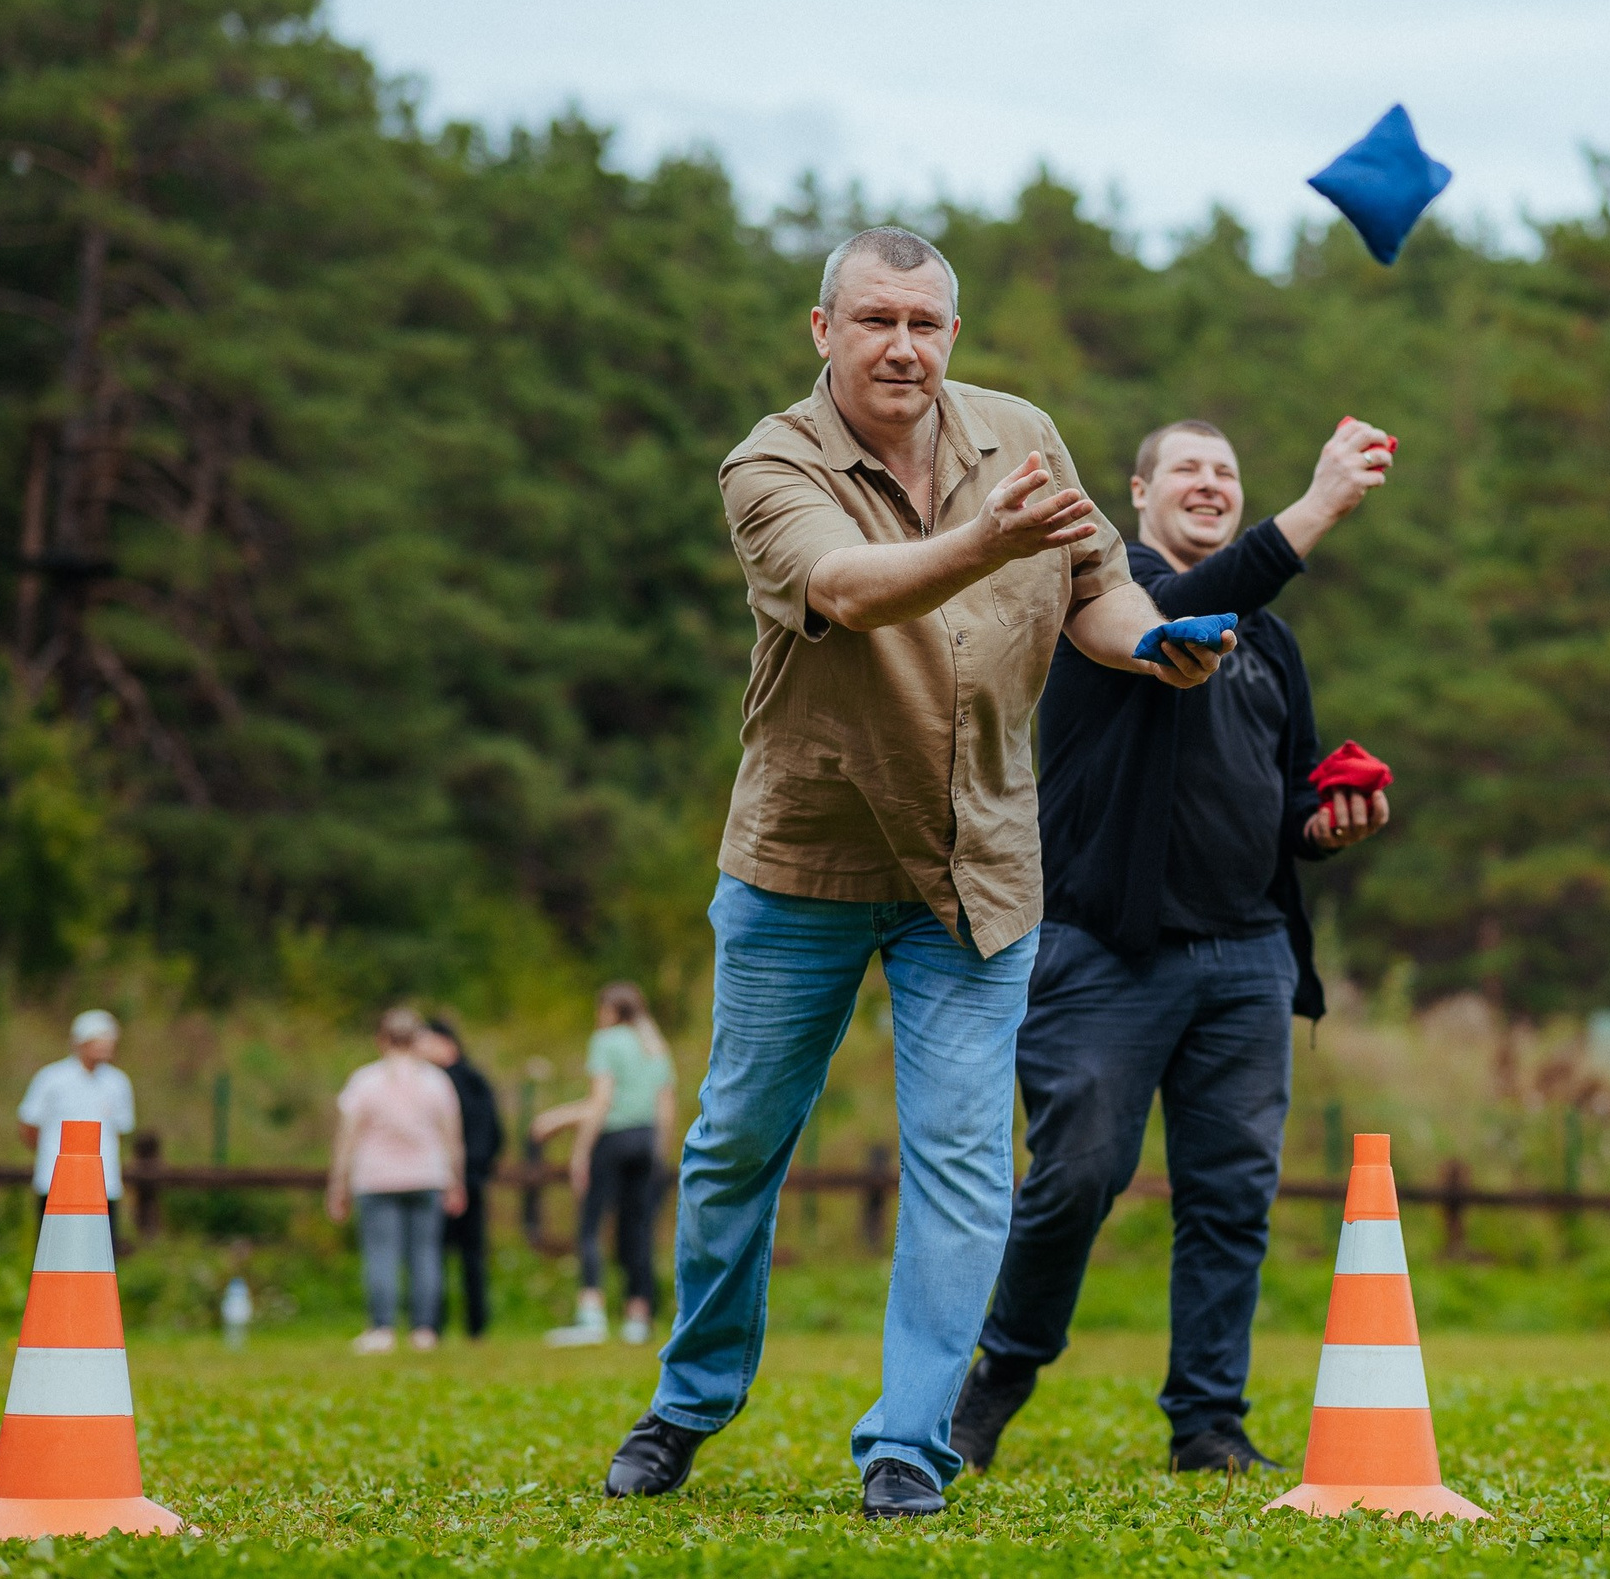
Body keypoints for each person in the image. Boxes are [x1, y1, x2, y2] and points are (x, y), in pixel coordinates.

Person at [598, 226, 1228, 1520]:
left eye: (926, 323)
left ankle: (909, 1438)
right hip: (805, 860)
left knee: (959, 1157)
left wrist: (1157, 643)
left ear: (954, 332)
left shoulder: (1018, 432)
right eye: (876, 319)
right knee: (734, 1145)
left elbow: (1095, 588)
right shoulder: (771, 461)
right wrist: (988, 542)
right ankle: (690, 1398)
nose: (904, 346)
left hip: (980, 864)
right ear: (822, 329)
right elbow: (853, 585)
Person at [952, 415, 1398, 1476]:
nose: (1211, 483)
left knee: (1230, 1197)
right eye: (1187, 469)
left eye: (1227, 472)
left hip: (1248, 959)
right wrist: (1321, 503)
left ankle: (1207, 1424)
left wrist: (1321, 822)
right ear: (1139, 494)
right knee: (1074, 1176)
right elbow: (1189, 610)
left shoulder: (1272, 641)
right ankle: (995, 1382)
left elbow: (1285, 787)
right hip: (1105, 952)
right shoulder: (1109, 602)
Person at [533, 982, 677, 1348]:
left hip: (612, 1139)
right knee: (638, 1229)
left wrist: (580, 1151)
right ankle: (638, 1316)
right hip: (647, 1142)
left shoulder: (607, 1042)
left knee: (591, 1226)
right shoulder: (654, 1047)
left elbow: (601, 1101)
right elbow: (666, 1108)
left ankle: (591, 1313)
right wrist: (659, 1152)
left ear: (611, 1012)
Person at [328, 1005, 467, 1354]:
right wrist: (456, 1181)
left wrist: (338, 1183)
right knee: (426, 1255)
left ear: (381, 1039)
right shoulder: (436, 1081)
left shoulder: (365, 1081)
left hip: (376, 1179)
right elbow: (452, 1138)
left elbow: (347, 1138)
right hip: (427, 1177)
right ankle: (424, 1331)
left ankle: (382, 1329)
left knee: (381, 1256)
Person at [416, 1015, 504, 1339]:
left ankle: (435, 1323)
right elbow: (496, 1133)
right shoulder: (475, 1080)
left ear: (445, 1043)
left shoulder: (437, 1083)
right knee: (466, 1254)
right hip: (469, 1177)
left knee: (438, 1253)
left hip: (445, 1178)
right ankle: (473, 1326)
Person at [17, 1010, 136, 1245]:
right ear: (80, 1042)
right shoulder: (51, 1078)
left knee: (100, 1253)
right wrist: (50, 1154)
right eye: (99, 1040)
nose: (105, 1046)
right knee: (55, 1250)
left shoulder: (118, 1082)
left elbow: (121, 1128)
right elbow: (29, 1125)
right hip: (55, 1181)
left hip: (104, 1183)